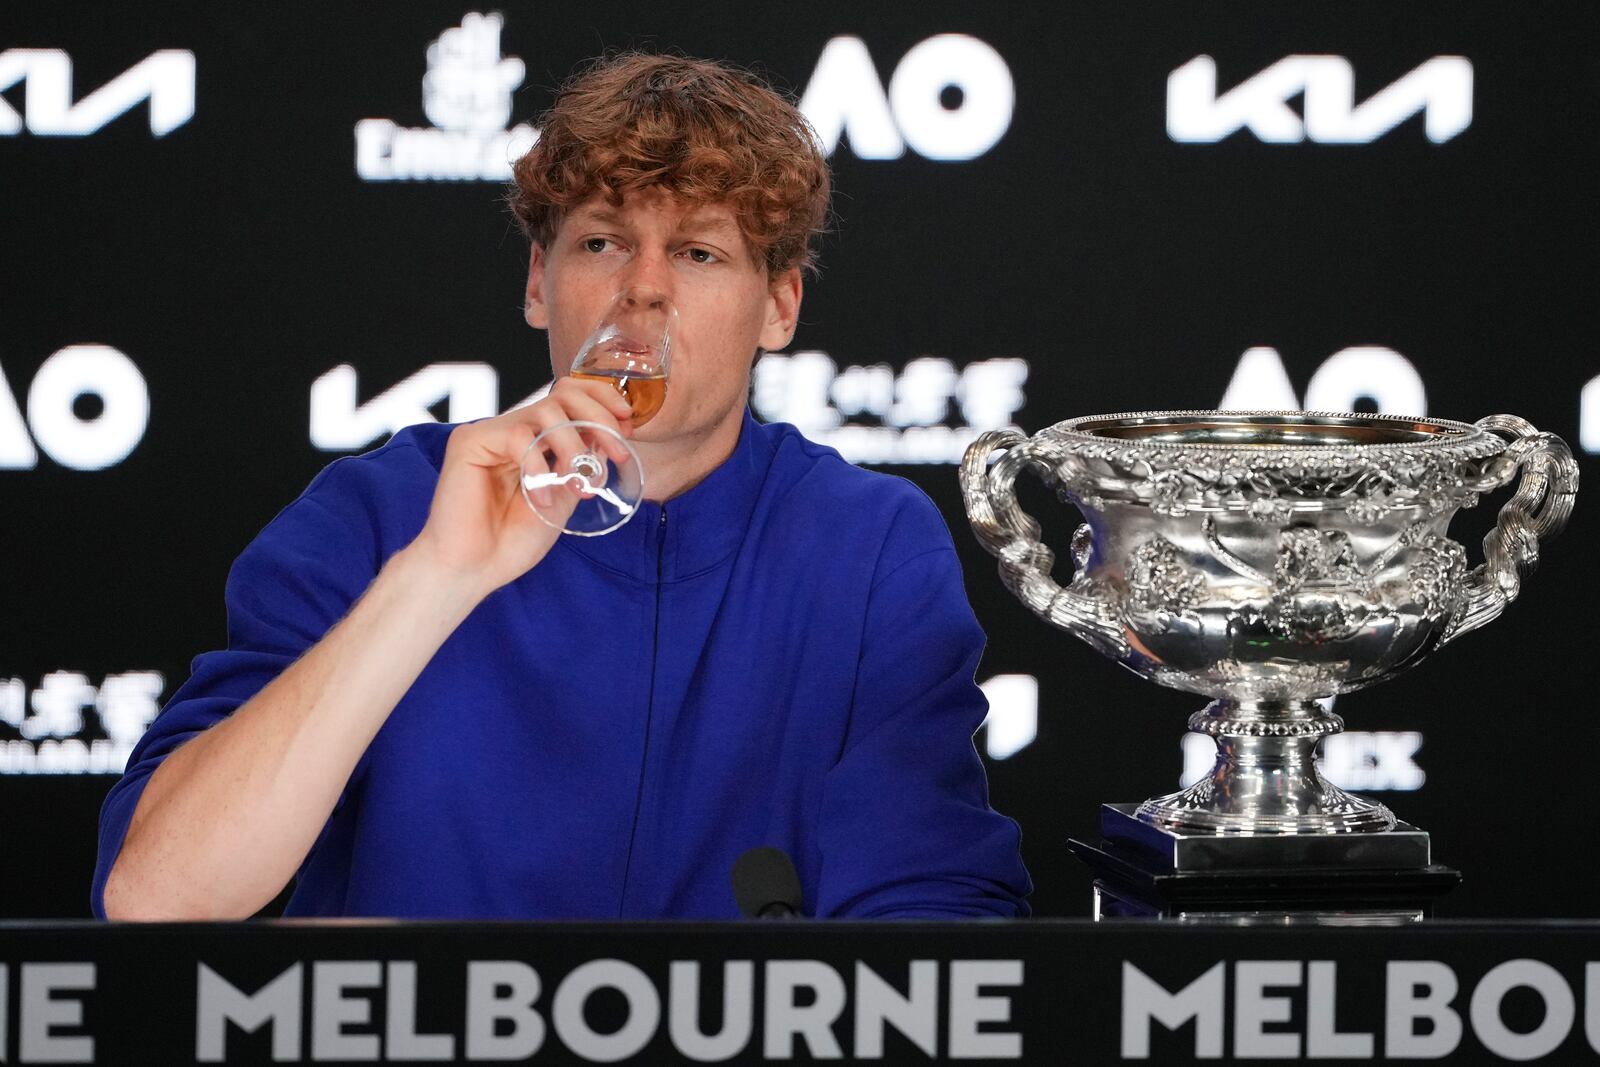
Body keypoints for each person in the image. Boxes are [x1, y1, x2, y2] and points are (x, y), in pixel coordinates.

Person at [93, 53, 1030, 920]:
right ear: (540, 282)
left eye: (699, 252)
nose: (644, 291)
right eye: (601, 244)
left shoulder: (868, 544)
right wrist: (436, 577)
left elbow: (935, 925)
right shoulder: (380, 509)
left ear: (778, 306)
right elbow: (156, 892)